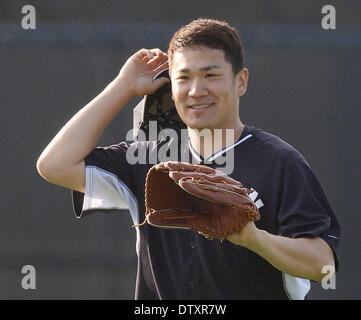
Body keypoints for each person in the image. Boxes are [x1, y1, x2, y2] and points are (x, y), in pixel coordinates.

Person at [37, 18, 341, 299]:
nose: (196, 90)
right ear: (170, 85)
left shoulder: (281, 163)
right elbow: (55, 165)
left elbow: (323, 264)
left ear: (241, 82)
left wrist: (254, 239)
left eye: (211, 75)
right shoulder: (148, 159)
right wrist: (123, 86)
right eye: (183, 78)